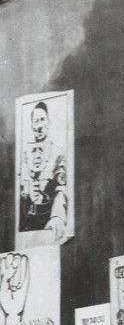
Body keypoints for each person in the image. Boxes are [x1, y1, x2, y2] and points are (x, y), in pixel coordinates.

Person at [18, 101, 68, 240]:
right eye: (36, 121)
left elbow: (62, 189)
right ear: (32, 126)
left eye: (42, 120)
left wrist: (57, 218)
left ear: (48, 122)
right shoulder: (25, 156)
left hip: (48, 223)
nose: (39, 126)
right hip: (27, 225)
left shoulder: (58, 154)